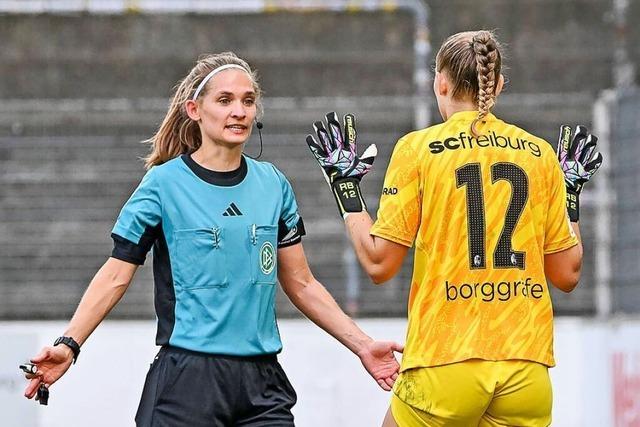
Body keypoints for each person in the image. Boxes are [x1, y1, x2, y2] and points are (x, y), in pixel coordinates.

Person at [22, 52, 404, 426]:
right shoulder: (162, 185)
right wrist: (69, 344)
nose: (239, 111)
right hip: (187, 383)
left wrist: (362, 345)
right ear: (194, 110)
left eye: (248, 101)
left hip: (262, 387)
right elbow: (115, 275)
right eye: (225, 100)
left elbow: (302, 283)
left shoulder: (274, 185)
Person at [305, 31, 603, 426]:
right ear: (497, 84)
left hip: (445, 359)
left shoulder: (419, 149)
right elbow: (567, 275)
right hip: (526, 366)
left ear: (440, 83)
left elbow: (380, 264)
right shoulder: (539, 153)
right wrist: (568, 197)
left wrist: (345, 187)